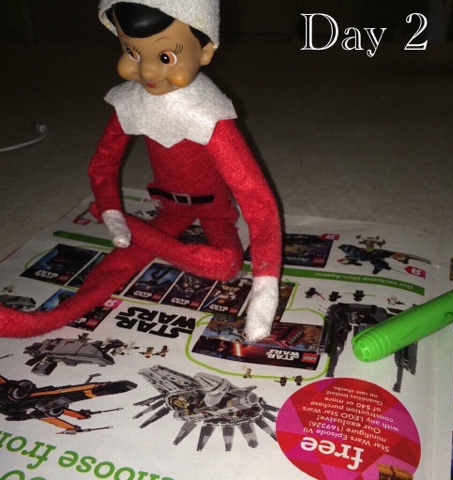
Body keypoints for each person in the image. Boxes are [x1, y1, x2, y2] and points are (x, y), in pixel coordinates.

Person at [0, 0, 282, 342]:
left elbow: (255, 197)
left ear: (205, 51)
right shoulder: (131, 103)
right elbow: (103, 163)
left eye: (165, 57)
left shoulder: (209, 115)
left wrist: (265, 286)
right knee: (118, 264)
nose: (147, 72)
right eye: (132, 52)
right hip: (168, 205)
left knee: (224, 265)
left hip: (214, 209)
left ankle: (138, 231)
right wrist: (110, 210)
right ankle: (48, 317)